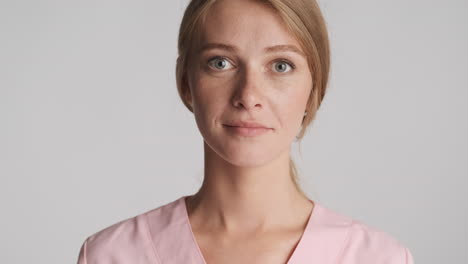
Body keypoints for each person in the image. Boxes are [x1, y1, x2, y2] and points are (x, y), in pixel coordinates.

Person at [76, 0, 415, 263]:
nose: (248, 96)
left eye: (281, 66)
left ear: (314, 90)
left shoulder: (379, 258)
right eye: (220, 62)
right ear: (185, 83)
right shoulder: (111, 255)